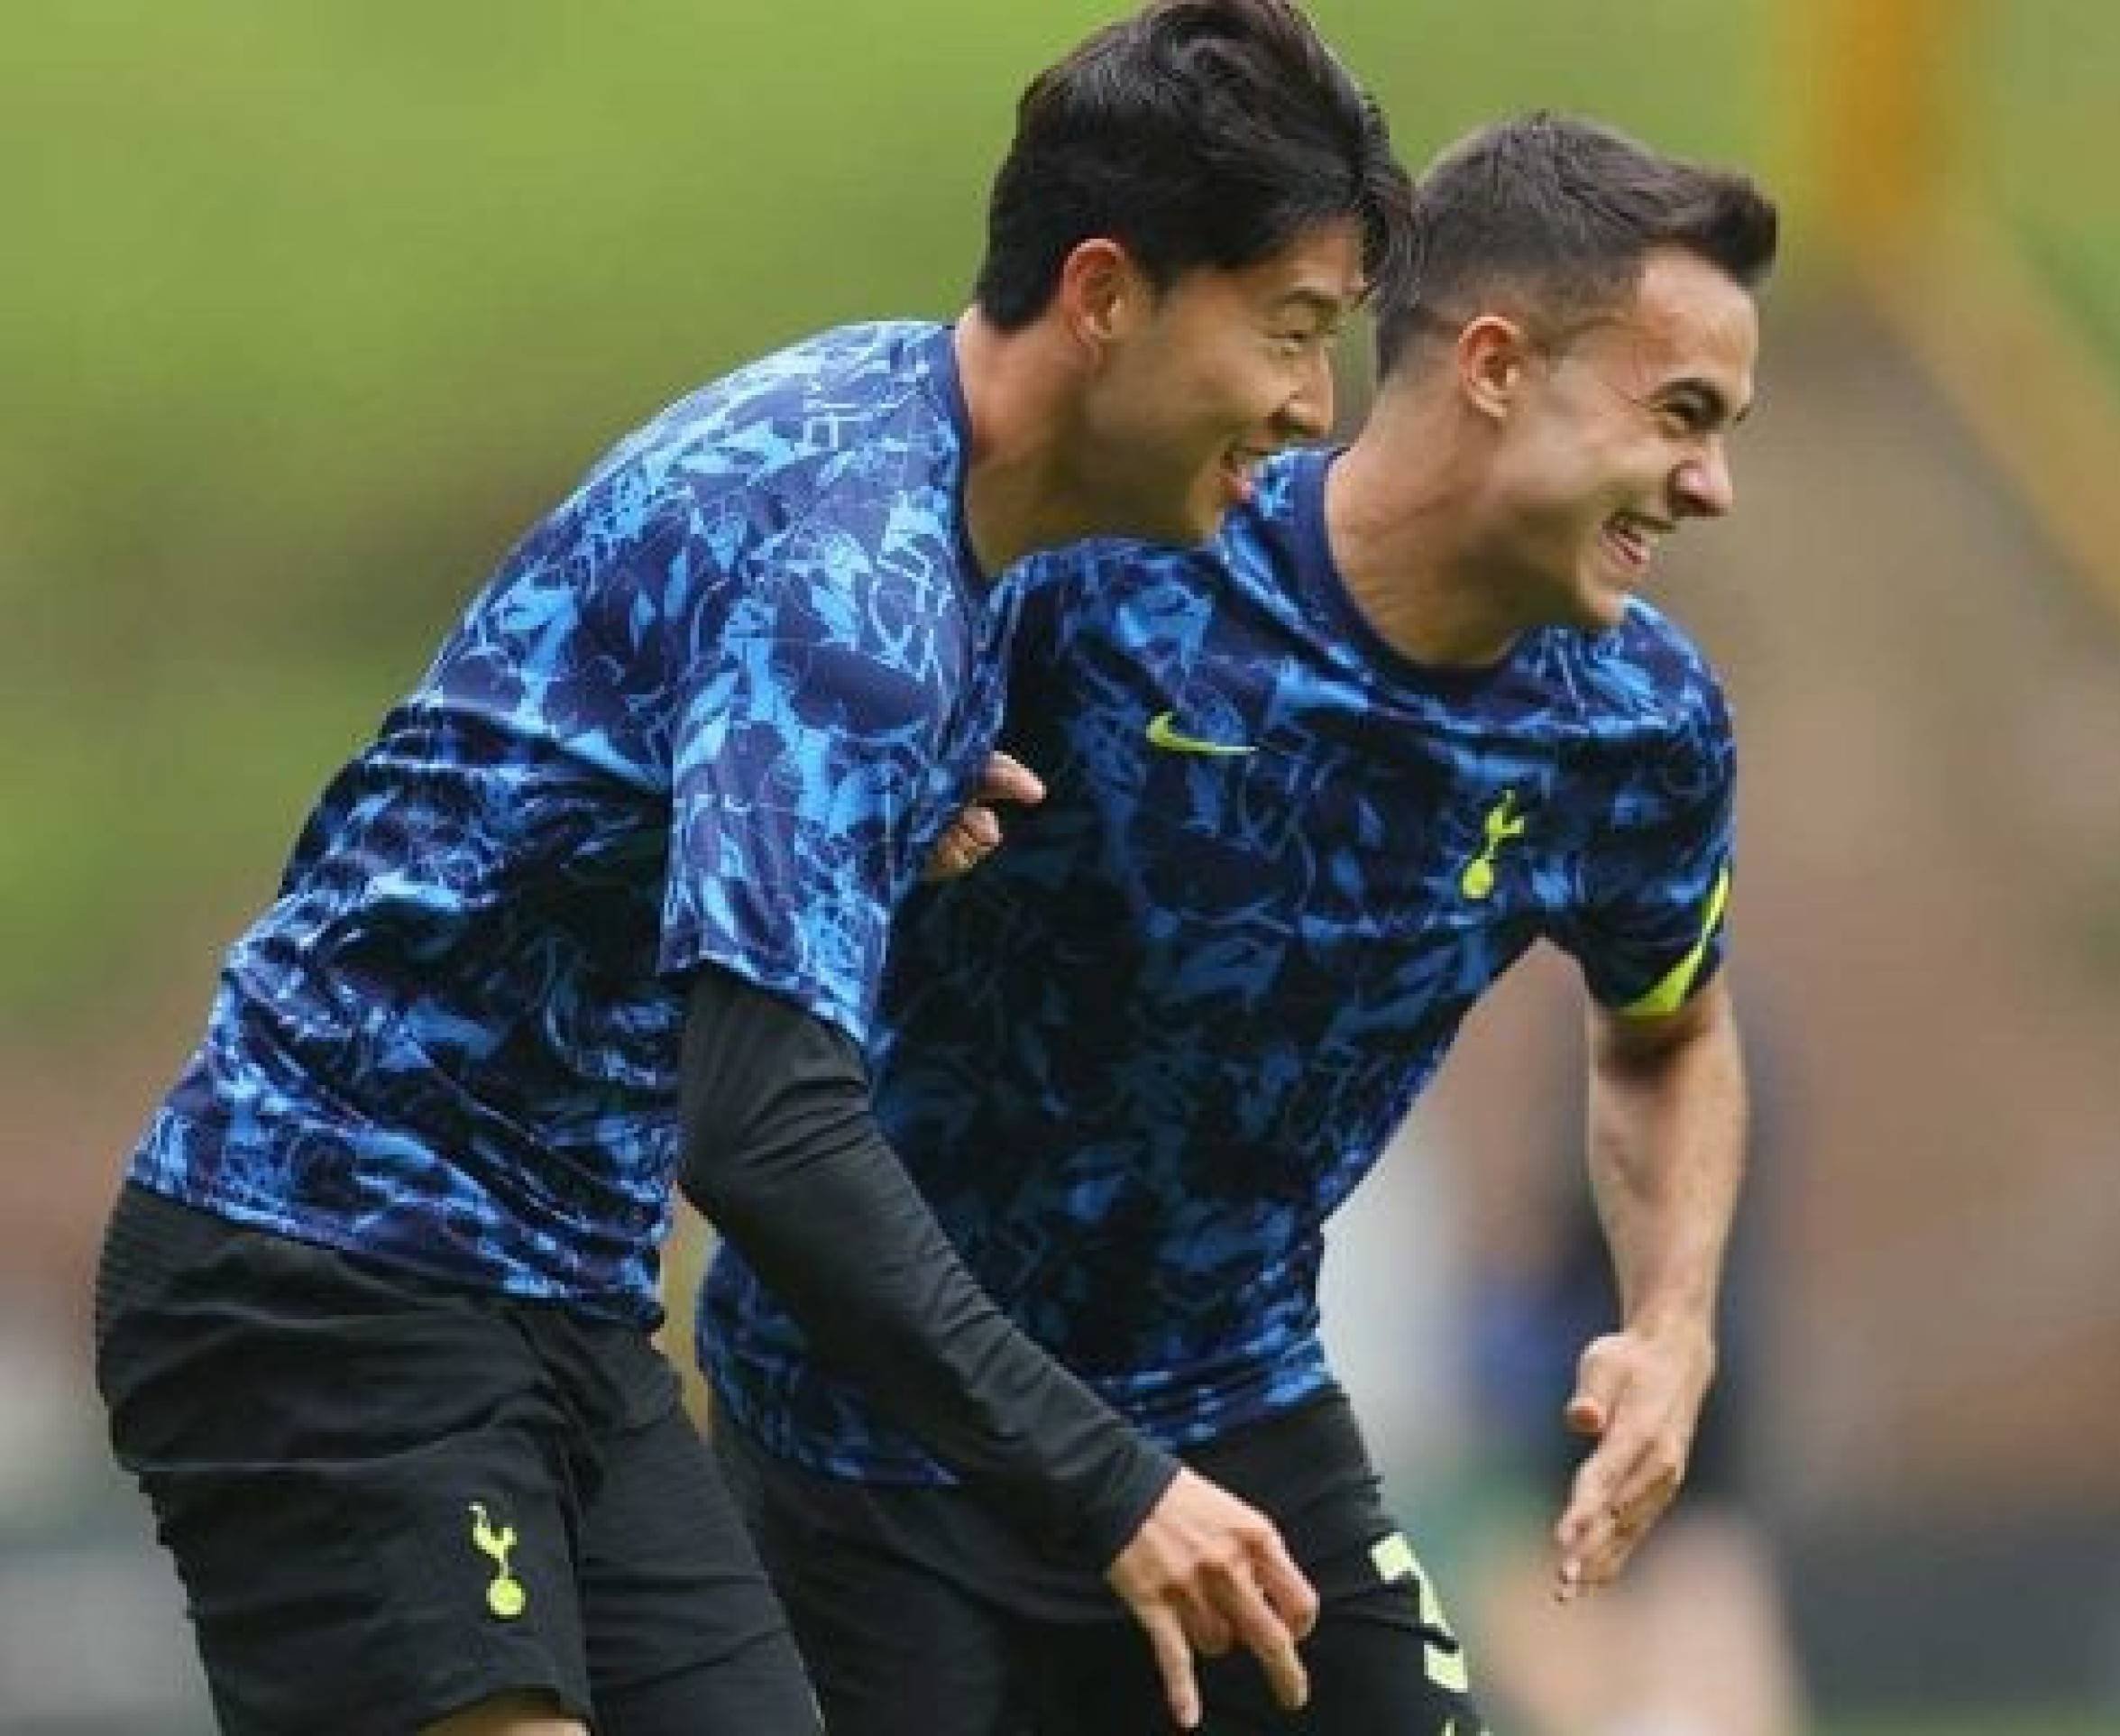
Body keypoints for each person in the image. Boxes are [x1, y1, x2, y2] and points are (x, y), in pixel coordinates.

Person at [89, 5, 1410, 1732]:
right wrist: (1111, 1483)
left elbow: (662, 758)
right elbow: (767, 1133)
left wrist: (870, 813)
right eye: (1291, 332)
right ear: (1103, 294)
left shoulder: (925, 456)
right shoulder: (855, 577)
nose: (1313, 406)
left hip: (559, 1289)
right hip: (327, 1261)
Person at [699, 113, 1777, 1734]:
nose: (1711, 484)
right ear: (1495, 365)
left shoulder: (1637, 725)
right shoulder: (1121, 563)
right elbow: (784, 851)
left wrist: (1673, 1323)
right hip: (874, 1436)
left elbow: (1669, 1034)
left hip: (1229, 1411)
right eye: (1678, 413)